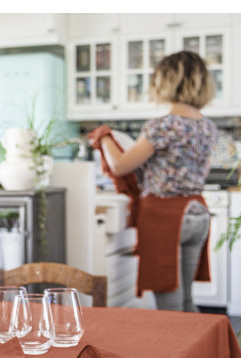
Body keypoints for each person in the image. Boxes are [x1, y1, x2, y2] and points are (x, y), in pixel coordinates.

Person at [92, 50, 216, 312]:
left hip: (166, 218)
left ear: (165, 81)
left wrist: (103, 137)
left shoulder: (162, 126)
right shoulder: (208, 126)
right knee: (186, 301)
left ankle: (176, 353)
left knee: (170, 306)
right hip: (197, 213)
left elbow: (120, 164)